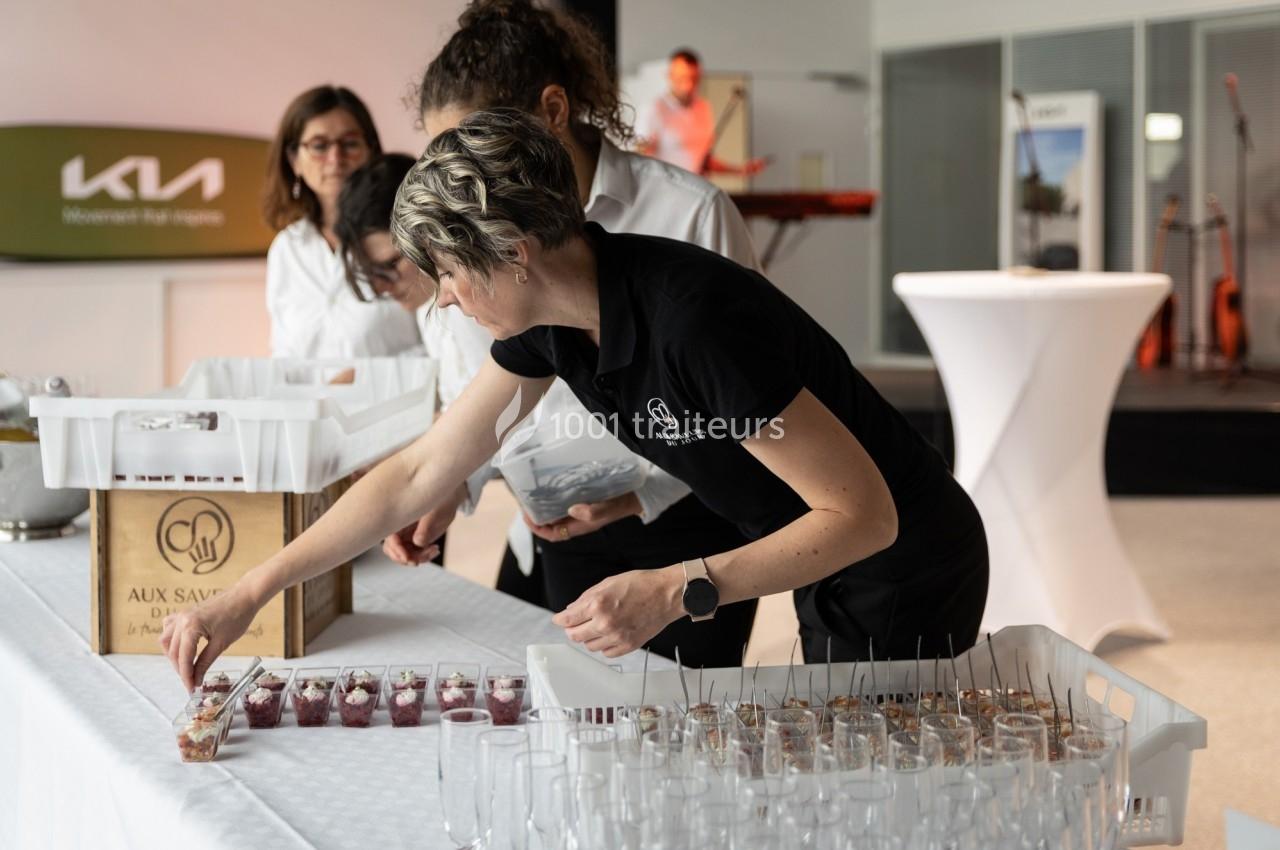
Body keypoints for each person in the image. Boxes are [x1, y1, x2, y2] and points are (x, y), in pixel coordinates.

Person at [160, 110, 989, 691]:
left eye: (447, 273)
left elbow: (864, 516)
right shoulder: (553, 324)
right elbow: (419, 472)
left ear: (513, 254)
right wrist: (249, 590)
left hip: (903, 559)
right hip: (820, 544)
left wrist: (676, 588)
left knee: (884, 790)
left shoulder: (694, 323)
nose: (442, 300)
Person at [391, 0, 761, 664]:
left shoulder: (688, 214)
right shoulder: (480, 246)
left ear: (553, 111)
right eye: (444, 153)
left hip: (684, 530)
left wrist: (638, 492)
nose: (460, 173)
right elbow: (481, 394)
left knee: (673, 734)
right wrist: (456, 485)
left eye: (476, 141)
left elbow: (748, 411)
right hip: (549, 533)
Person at [263, 85, 419, 359]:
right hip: (309, 402)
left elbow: (442, 342)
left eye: (349, 144)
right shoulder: (287, 249)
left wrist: (359, 378)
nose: (335, 159)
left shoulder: (406, 229)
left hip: (400, 400)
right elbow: (283, 352)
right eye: (319, 146)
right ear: (294, 160)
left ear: (371, 150)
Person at [637, 48, 769, 178]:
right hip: (668, 190)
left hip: (698, 189)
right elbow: (641, 159)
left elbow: (703, 160)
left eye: (693, 79)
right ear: (670, 76)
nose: (688, 85)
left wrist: (739, 170)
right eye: (682, 78)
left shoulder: (703, 107)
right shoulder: (654, 109)